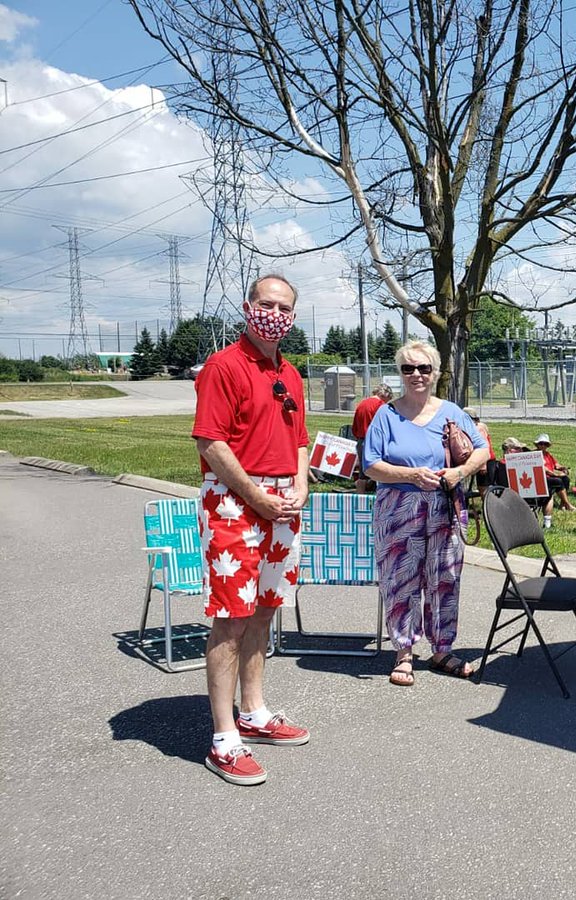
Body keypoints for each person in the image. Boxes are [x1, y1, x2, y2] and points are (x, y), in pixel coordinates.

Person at [191, 274, 311, 786]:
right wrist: (254, 496)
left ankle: (254, 713)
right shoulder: (224, 367)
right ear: (247, 307)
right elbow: (210, 443)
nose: (276, 314)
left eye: (285, 307)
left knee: (264, 610)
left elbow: (301, 440)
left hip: (284, 501)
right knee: (231, 618)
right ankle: (223, 738)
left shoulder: (292, 373)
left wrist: (301, 484)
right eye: (267, 304)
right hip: (235, 502)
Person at [364, 339, 490, 687]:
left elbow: (482, 451)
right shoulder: (385, 415)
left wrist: (459, 473)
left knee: (444, 577)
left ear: (435, 372)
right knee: (401, 579)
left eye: (423, 368)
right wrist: (410, 475)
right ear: (400, 373)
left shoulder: (452, 412)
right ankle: (403, 652)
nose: (416, 375)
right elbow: (371, 465)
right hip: (399, 506)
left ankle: (442, 648)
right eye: (408, 368)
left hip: (444, 504)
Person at [352, 383, 393, 491]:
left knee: (362, 472)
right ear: (385, 394)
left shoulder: (362, 403)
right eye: (388, 399)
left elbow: (355, 426)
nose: (387, 402)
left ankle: (360, 497)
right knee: (380, 469)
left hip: (361, 440)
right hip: (373, 441)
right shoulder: (380, 405)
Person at [534, 433, 576, 527]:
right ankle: (567, 504)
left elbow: (556, 465)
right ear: (537, 445)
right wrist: (556, 474)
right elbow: (544, 469)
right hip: (542, 478)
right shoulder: (535, 455)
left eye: (545, 444)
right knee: (558, 481)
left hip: (550, 477)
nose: (543, 446)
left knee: (565, 479)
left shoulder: (548, 455)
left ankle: (562, 504)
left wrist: (563, 468)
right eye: (541, 443)